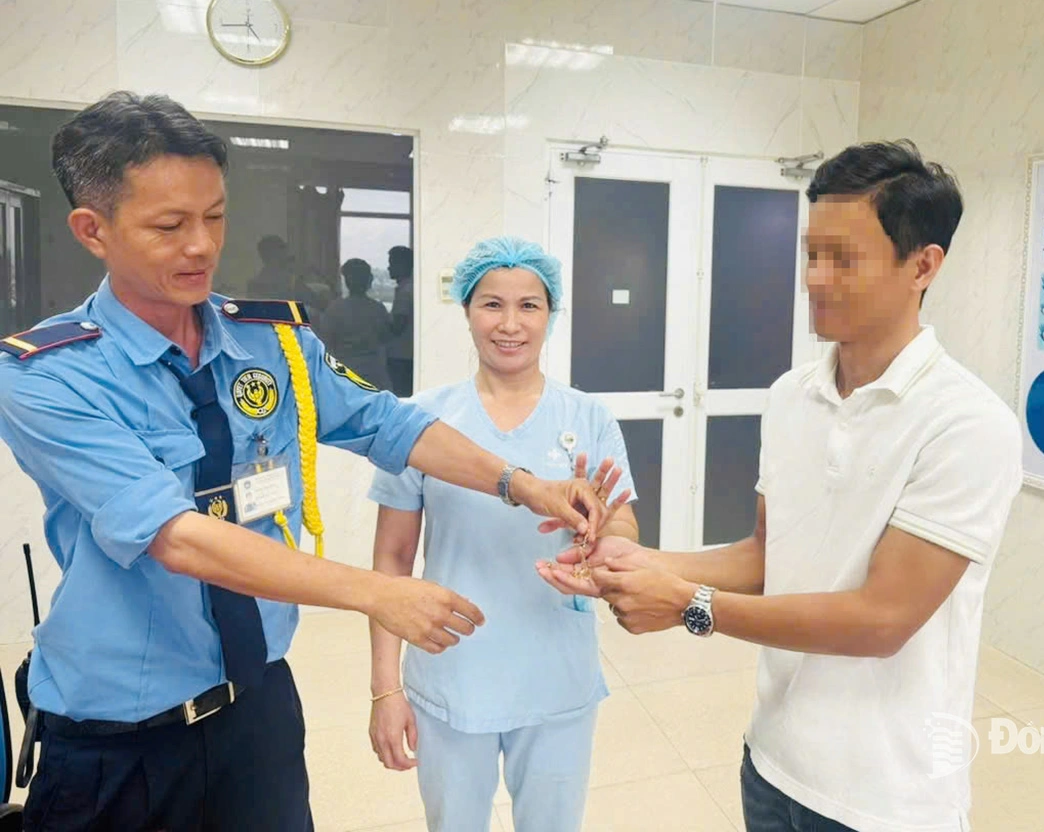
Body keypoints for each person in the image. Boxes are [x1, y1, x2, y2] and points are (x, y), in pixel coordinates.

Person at [0, 92, 607, 832]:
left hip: (257, 706)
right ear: (92, 230)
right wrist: (376, 593)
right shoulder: (48, 375)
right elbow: (176, 537)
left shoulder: (271, 342)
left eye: (215, 216)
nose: (202, 246)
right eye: (170, 225)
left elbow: (389, 425)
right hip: (119, 739)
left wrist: (523, 484)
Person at [540, 141, 1024, 832]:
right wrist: (642, 561)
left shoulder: (967, 424)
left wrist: (689, 604)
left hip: (884, 798)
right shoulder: (791, 395)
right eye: (811, 254)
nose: (816, 280)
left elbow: (882, 620)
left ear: (923, 265)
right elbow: (768, 556)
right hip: (772, 763)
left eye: (844, 259)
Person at [367, 236, 639, 832]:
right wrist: (385, 690)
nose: (510, 324)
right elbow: (391, 559)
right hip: (451, 670)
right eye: (492, 304)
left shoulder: (587, 417)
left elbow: (621, 521)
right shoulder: (422, 420)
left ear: (551, 314)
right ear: (466, 309)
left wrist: (606, 539)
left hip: (556, 674)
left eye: (529, 306)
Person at [322, 257, 392, 391]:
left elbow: (327, 342)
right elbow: (386, 338)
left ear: (347, 281)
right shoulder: (377, 309)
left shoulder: (334, 309)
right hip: (373, 372)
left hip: (344, 371)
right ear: (369, 280)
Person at [386, 244, 415, 396]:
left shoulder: (405, 291)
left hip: (401, 355)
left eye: (392, 263)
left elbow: (398, 326)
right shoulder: (411, 287)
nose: (389, 268)